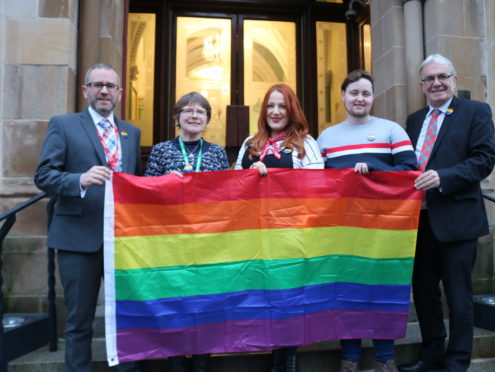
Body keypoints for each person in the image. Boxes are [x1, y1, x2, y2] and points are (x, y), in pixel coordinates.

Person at [34, 64, 142, 372]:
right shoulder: (64, 125)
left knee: (127, 319)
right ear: (86, 90)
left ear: (120, 93)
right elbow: (43, 175)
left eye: (110, 86)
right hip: (77, 238)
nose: (104, 90)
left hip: (121, 241)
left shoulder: (131, 133)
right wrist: (78, 180)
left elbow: (135, 182)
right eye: (97, 85)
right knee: (79, 321)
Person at [398, 54, 495, 372]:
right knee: (425, 296)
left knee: (458, 298)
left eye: (442, 76)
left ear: (454, 80)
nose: (436, 83)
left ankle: (456, 363)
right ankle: (431, 357)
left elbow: (484, 159)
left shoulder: (475, 112)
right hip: (420, 223)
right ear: (422, 85)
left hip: (457, 221)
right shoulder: (414, 120)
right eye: (429, 78)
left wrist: (445, 177)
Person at [316, 70, 417, 372]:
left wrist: (373, 170)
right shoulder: (326, 137)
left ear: (373, 98)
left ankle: (386, 361)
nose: (360, 98)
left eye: (366, 93)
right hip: (342, 232)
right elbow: (315, 182)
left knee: (382, 291)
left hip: (383, 230)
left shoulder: (391, 130)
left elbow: (410, 171)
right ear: (343, 96)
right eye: (354, 93)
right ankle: (349, 360)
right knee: (347, 293)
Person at [234, 83, 324, 371]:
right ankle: (275, 355)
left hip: (290, 233)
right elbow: (233, 189)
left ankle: (290, 359)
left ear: (291, 110)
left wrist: (275, 178)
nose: (275, 112)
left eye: (282, 106)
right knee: (267, 296)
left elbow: (316, 189)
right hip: (256, 234)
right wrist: (249, 175)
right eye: (270, 106)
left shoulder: (306, 144)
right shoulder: (250, 144)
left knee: (289, 296)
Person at [145, 91, 228, 372]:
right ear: (177, 118)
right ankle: (176, 363)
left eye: (201, 112)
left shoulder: (216, 152)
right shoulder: (161, 150)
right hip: (172, 243)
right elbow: (146, 193)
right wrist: (165, 183)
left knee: (204, 306)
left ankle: (202, 364)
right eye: (188, 111)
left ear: (207, 120)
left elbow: (228, 196)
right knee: (175, 305)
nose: (194, 116)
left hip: (207, 244)